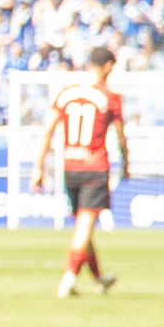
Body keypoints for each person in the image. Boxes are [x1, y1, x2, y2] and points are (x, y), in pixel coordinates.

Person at [33, 46, 127, 296]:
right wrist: (127, 163)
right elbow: (120, 135)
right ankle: (69, 277)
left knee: (83, 226)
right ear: (107, 66)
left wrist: (38, 167)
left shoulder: (66, 94)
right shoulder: (109, 97)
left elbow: (47, 130)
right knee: (85, 225)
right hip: (95, 167)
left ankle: (98, 277)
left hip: (70, 167)